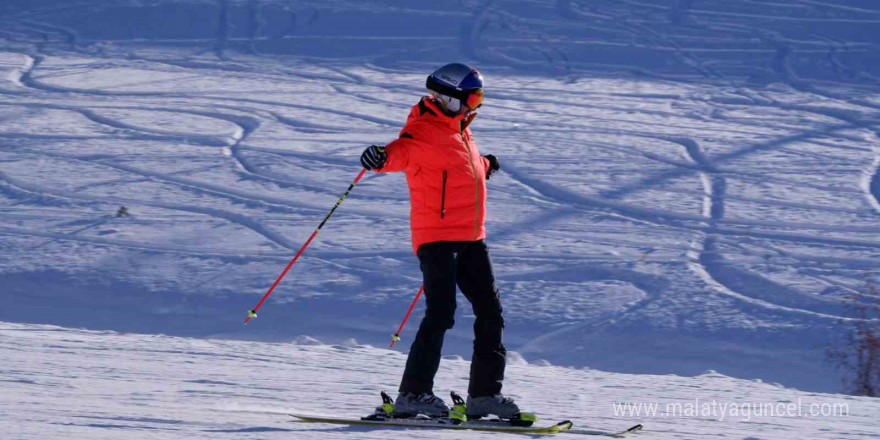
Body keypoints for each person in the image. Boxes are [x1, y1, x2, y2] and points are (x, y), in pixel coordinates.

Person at [360, 63, 519, 420]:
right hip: (438, 239)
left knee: (491, 315)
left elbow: (458, 165)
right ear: (449, 98)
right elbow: (399, 154)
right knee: (441, 314)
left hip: (472, 238)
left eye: (480, 98)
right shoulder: (422, 132)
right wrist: (379, 158)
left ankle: (484, 396)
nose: (476, 105)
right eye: (473, 97)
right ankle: (413, 394)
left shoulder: (461, 131)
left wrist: (485, 164)